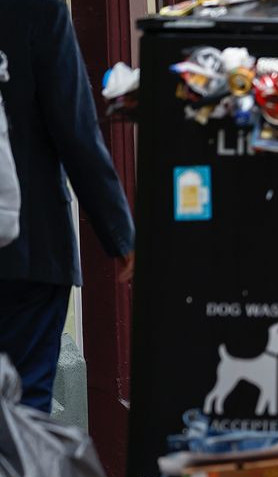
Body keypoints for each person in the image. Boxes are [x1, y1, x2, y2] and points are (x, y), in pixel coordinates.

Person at [0, 0, 135, 413]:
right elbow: (74, 124)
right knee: (26, 421)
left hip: (28, 251)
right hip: (28, 247)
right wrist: (120, 235)